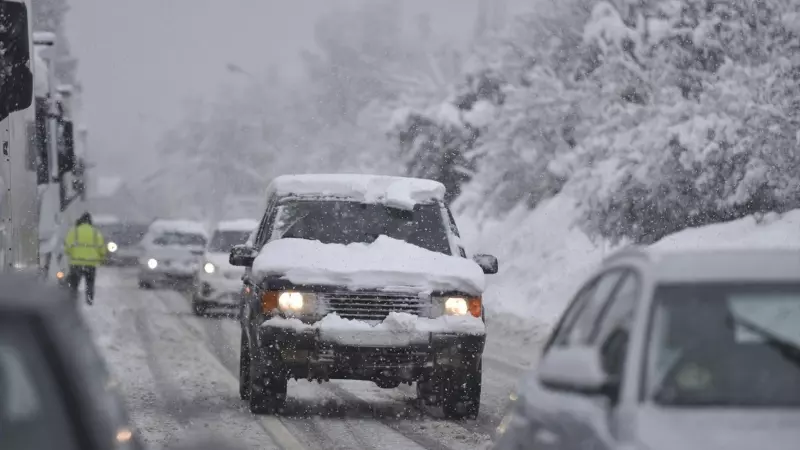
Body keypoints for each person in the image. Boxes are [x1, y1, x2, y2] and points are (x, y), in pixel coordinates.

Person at [64, 212, 106, 304]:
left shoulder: (74, 232)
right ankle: (89, 299)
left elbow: (67, 248)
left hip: (76, 263)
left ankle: (72, 299)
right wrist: (102, 258)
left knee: (74, 284)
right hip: (91, 263)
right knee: (90, 283)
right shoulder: (95, 232)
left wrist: (72, 254)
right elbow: (102, 248)